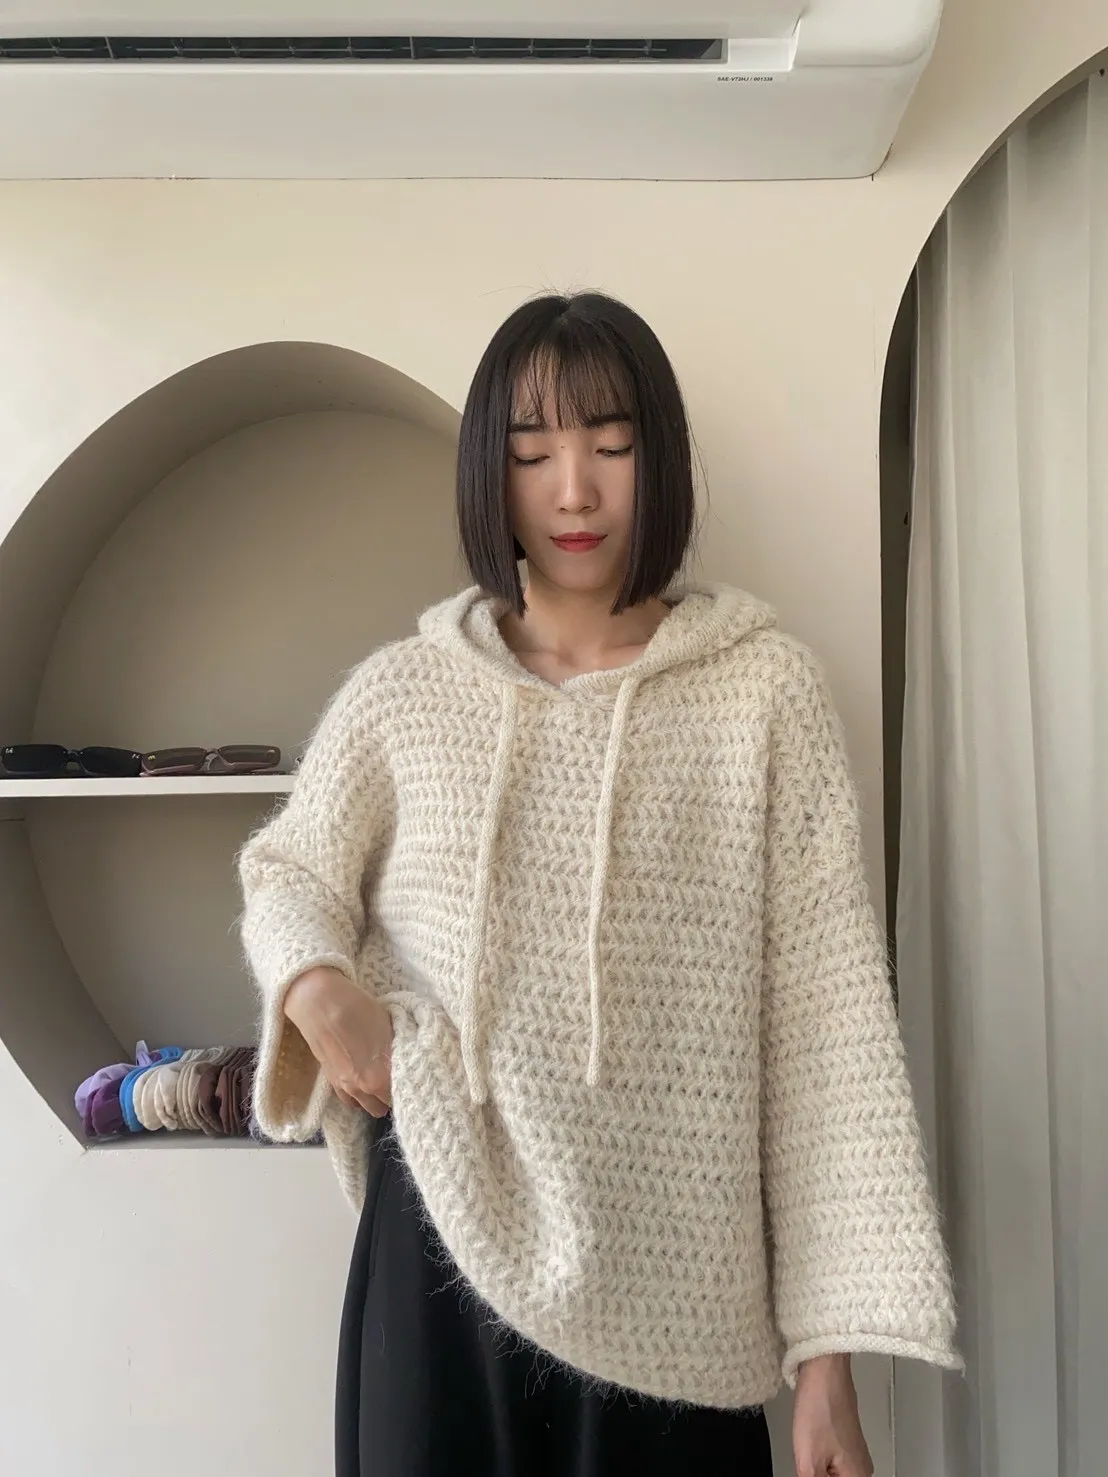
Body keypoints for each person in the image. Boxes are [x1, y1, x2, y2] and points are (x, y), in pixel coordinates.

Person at [238, 292, 960, 1477]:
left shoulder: (764, 696)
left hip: (681, 1302)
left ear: (656, 455)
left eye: (610, 444)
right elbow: (288, 870)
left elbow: (826, 1040)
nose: (573, 490)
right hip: (439, 1269)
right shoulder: (404, 693)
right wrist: (318, 990)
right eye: (532, 453)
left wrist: (826, 1365)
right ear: (490, 471)